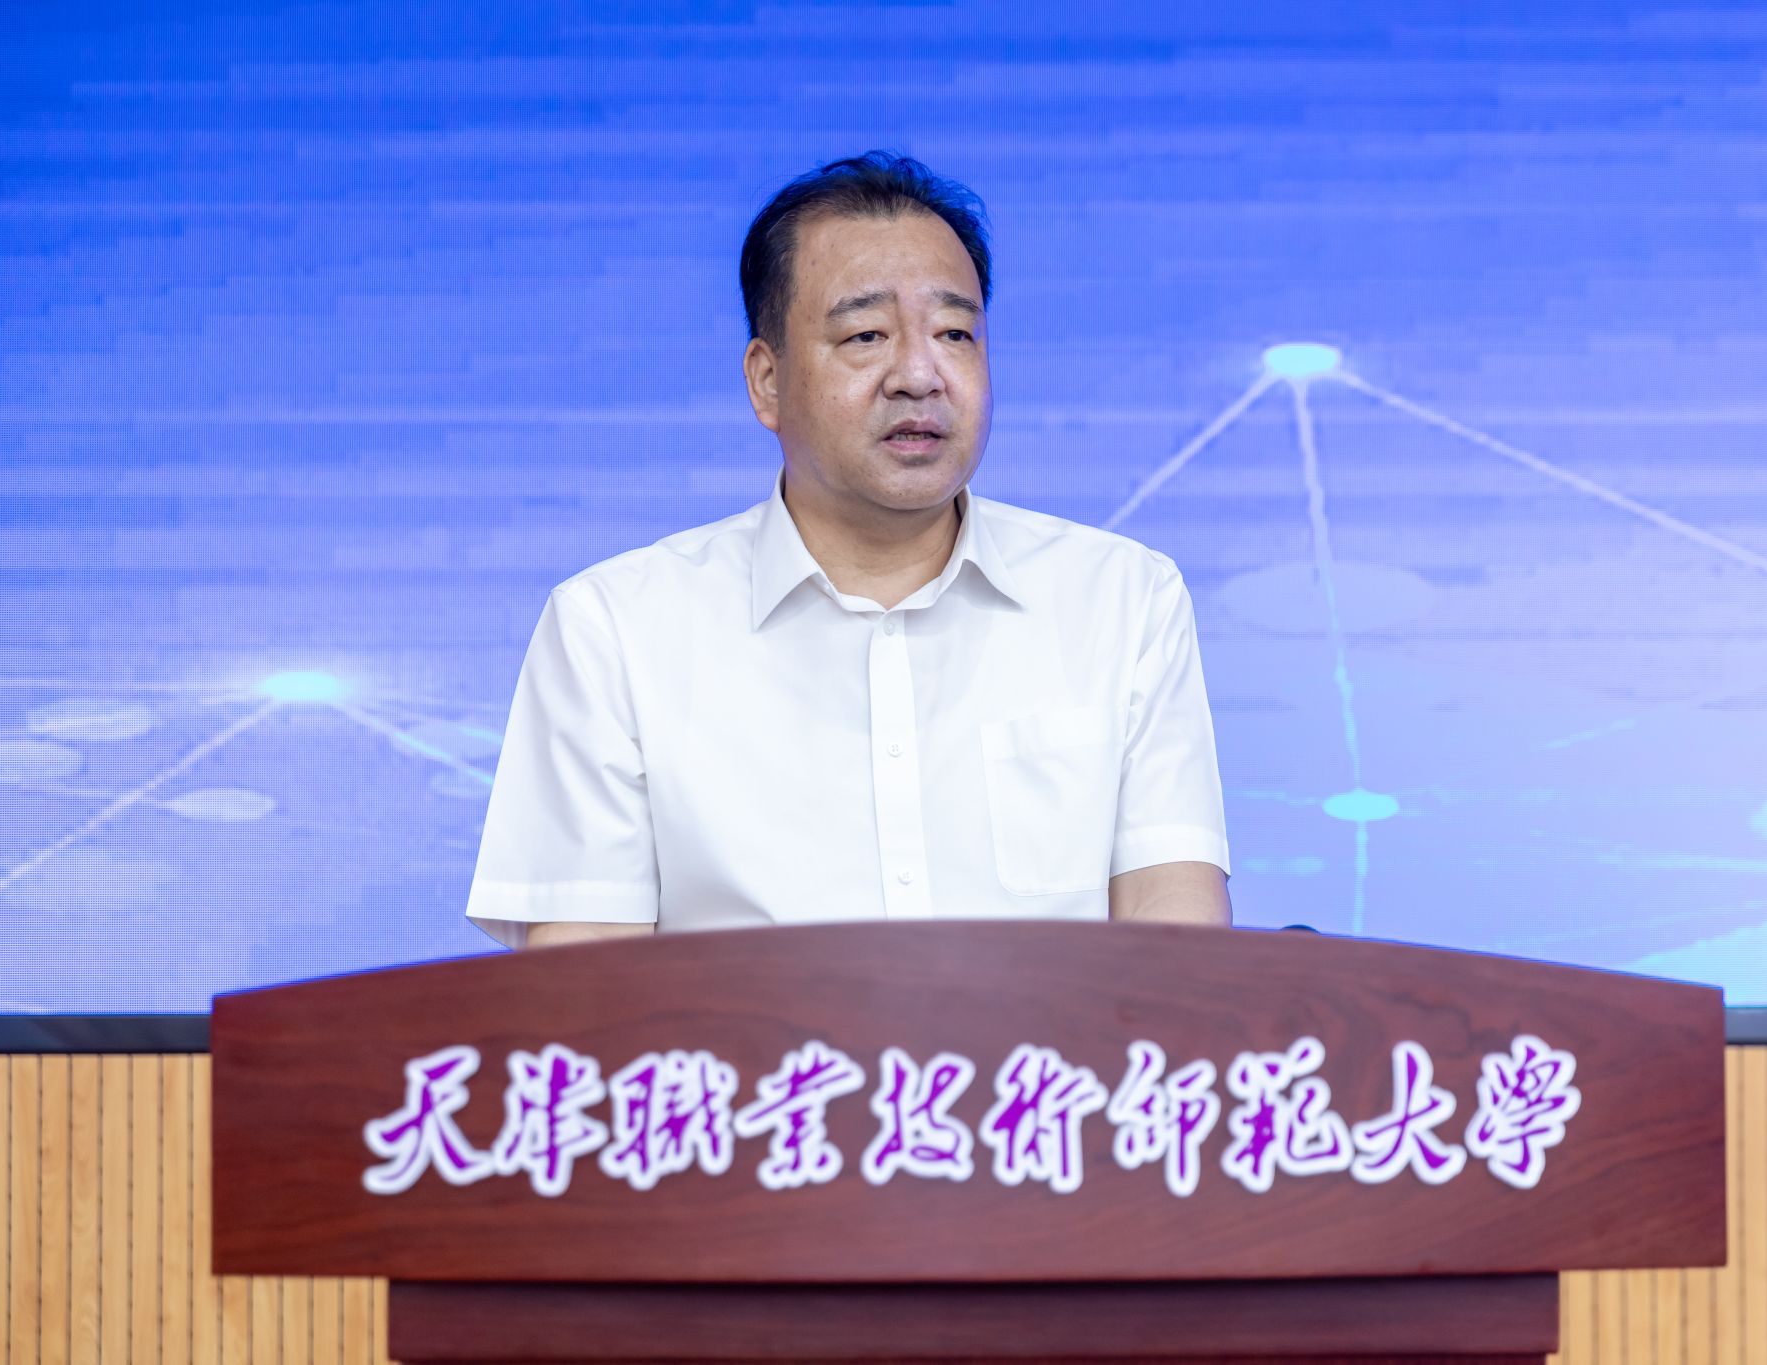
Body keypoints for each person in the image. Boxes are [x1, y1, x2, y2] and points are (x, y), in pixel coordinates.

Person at [464, 151, 1231, 950]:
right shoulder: (615, 629)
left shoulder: (1122, 598)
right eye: (867, 334)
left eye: (955, 333)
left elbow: (1178, 938)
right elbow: (584, 978)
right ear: (766, 381)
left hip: (1054, 1043)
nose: (920, 375)